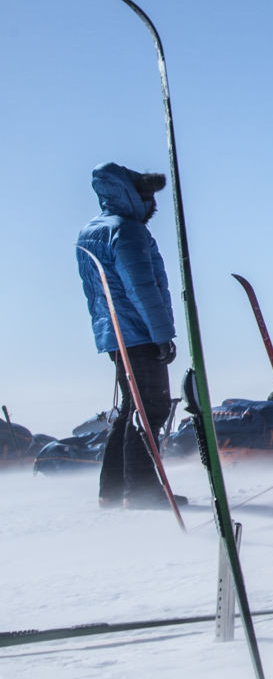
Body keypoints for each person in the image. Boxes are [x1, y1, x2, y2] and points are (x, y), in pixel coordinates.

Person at [75, 163, 178, 509]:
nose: (153, 206)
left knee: (131, 409)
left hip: (114, 335)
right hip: (140, 333)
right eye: (149, 198)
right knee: (150, 408)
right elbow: (141, 289)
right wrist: (162, 335)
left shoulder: (92, 230)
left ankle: (114, 489)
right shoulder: (127, 231)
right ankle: (142, 491)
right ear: (135, 197)